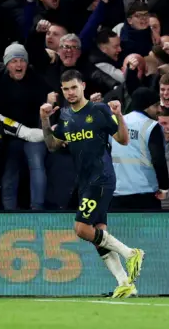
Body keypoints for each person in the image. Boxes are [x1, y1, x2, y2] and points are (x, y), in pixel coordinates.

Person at [39, 69, 143, 299]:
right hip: (84, 181)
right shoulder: (65, 116)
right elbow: (53, 146)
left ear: (83, 86)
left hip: (101, 177)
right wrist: (45, 120)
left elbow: (123, 140)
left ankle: (131, 253)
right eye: (65, 89)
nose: (70, 92)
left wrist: (120, 115)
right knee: (98, 234)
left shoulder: (99, 110)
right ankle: (125, 283)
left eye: (74, 87)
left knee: (81, 229)